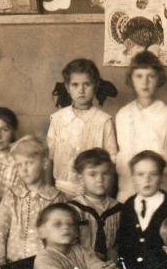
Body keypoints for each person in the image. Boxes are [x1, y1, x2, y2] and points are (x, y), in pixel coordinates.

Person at [0, 136, 66, 269]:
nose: (24, 170)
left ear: (44, 163)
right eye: (19, 165)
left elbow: (62, 231)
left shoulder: (55, 197)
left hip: (46, 265)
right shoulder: (12, 195)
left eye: (29, 163)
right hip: (13, 261)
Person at [114, 52, 167, 202]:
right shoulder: (123, 114)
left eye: (150, 76)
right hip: (129, 185)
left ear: (159, 79)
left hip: (159, 185)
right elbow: (121, 153)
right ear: (131, 79)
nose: (145, 82)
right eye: (139, 76)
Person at [46, 58, 119, 197]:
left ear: (96, 86)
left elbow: (112, 161)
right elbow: (49, 157)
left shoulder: (104, 120)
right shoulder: (57, 119)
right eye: (75, 85)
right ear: (67, 88)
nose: (81, 90)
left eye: (87, 84)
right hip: (61, 189)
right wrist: (50, 190)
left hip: (93, 191)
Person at [32, 203, 120, 269]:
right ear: (42, 232)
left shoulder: (80, 250)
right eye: (57, 224)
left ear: (77, 232)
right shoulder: (43, 259)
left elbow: (94, 263)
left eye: (71, 224)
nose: (65, 227)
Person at [116, 150, 167, 269]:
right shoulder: (128, 206)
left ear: (162, 177)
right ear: (133, 178)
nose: (147, 180)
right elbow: (123, 244)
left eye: (153, 174)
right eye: (140, 175)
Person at [67, 148, 123, 261]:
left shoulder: (119, 209)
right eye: (92, 174)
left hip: (111, 267)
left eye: (105, 173)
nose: (100, 179)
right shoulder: (73, 209)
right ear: (81, 178)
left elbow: (123, 240)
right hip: (82, 266)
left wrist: (115, 251)